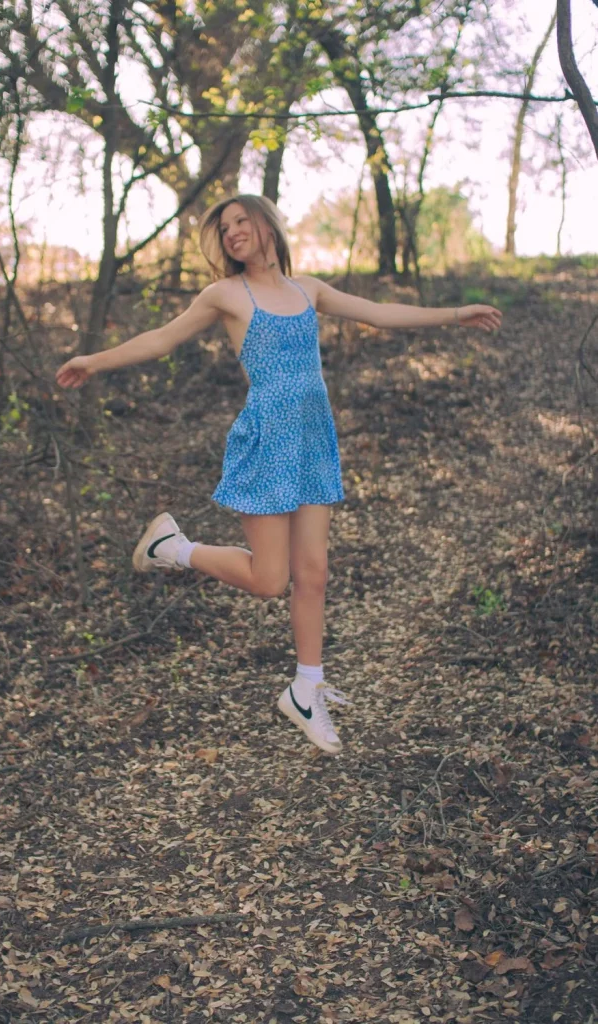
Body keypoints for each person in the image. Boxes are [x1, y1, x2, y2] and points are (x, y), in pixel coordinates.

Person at [56, 194, 502, 756]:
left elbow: (378, 312)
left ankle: (306, 689)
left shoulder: (307, 289)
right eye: (224, 228)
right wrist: (92, 361)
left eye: (241, 221)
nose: (232, 232)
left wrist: (456, 315)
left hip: (313, 442)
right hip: (268, 441)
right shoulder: (225, 294)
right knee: (270, 580)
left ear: (267, 223)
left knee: (313, 573)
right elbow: (162, 339)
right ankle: (174, 547)